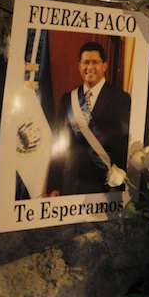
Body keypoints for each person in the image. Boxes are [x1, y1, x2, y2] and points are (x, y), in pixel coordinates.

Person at [47, 41, 131, 196]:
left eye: (95, 62)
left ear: (104, 66)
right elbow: (58, 143)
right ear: (79, 66)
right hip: (71, 183)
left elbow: (124, 146)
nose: (90, 67)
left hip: (105, 186)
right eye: (86, 62)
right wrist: (54, 185)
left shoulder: (122, 99)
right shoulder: (67, 100)